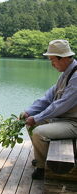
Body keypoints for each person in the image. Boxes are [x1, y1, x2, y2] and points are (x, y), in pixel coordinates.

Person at [20, 39, 77, 180]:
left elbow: (61, 105)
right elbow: (47, 98)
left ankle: (42, 168)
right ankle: (41, 160)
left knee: (38, 131)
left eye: (53, 60)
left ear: (63, 58)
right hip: (63, 120)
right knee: (31, 125)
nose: (51, 64)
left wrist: (37, 118)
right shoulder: (65, 74)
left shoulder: (76, 77)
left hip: (73, 123)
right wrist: (29, 112)